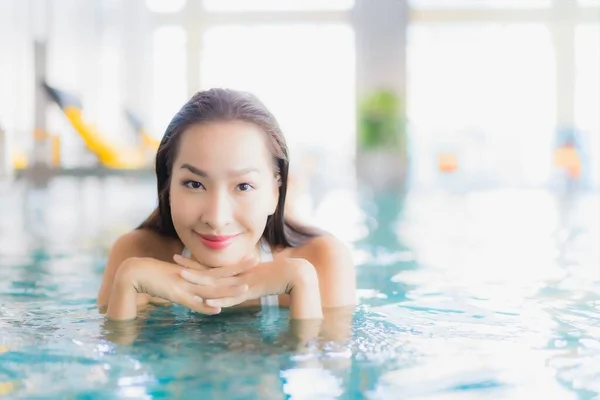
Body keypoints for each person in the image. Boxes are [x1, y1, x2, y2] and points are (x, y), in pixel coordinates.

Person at [97, 88, 356, 322]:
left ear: (275, 194)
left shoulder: (322, 261)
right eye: (194, 184)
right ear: (168, 186)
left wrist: (301, 284)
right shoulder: (136, 255)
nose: (217, 219)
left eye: (243, 186)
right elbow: (115, 366)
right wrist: (128, 281)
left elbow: (323, 369)